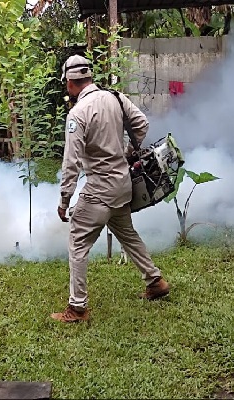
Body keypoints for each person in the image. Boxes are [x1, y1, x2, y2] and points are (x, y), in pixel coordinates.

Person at [51, 55, 170, 323]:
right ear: (89, 77)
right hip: (122, 185)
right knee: (126, 233)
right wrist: (129, 151)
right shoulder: (114, 97)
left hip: (99, 189)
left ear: (70, 83)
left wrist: (64, 200)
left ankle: (77, 308)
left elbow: (71, 161)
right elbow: (142, 124)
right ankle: (155, 281)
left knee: (78, 242)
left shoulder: (77, 114)